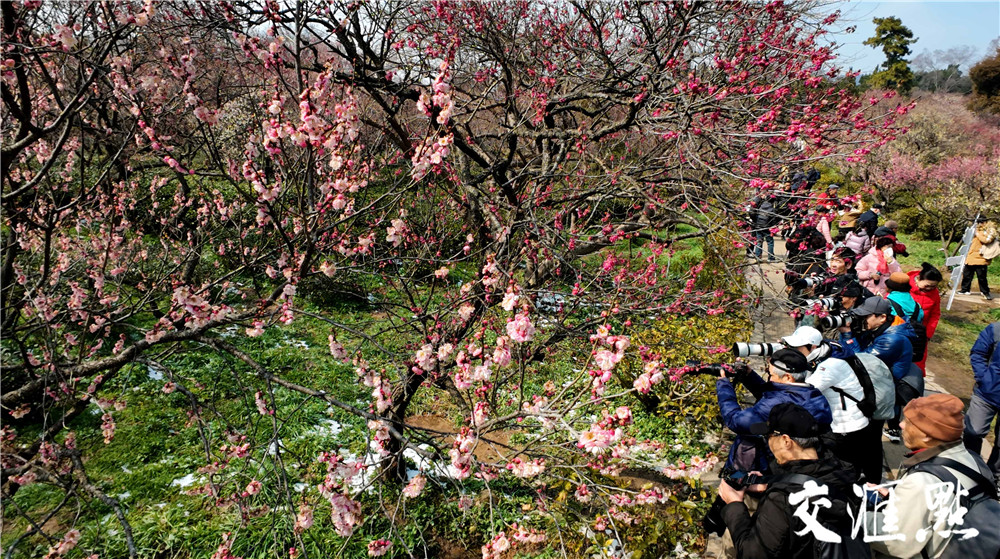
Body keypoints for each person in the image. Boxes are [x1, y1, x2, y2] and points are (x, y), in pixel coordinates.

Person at [719, 403, 866, 559]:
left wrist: (734, 505)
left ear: (786, 441)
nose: (768, 442)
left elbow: (753, 554)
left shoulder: (781, 501)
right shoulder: (841, 470)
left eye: (768, 436)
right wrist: (774, 481)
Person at [867, 394, 996, 559]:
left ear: (927, 434)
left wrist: (856, 515)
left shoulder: (922, 481)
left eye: (908, 422)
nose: (901, 425)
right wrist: (898, 498)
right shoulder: (974, 460)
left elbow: (897, 543)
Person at [715, 349, 833, 477]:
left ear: (788, 377)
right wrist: (749, 376)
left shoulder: (779, 402)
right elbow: (773, 395)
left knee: (746, 445)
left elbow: (736, 421)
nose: (769, 378)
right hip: (805, 463)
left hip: (769, 464)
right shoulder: (813, 395)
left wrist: (724, 385)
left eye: (770, 374)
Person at [963, 321, 1000, 481]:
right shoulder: (996, 329)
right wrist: (984, 378)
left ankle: (993, 478)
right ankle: (969, 468)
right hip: (986, 393)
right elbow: (978, 353)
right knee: (973, 431)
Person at [909, 263, 943, 374]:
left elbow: (935, 314)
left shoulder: (934, 293)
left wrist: (928, 334)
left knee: (917, 361)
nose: (930, 289)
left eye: (934, 286)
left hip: (921, 333)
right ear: (919, 279)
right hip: (902, 329)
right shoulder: (905, 286)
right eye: (927, 285)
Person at [959, 217, 997, 301]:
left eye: (981, 222)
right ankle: (965, 290)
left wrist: (978, 233)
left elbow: (986, 240)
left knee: (982, 277)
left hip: (981, 258)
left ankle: (985, 292)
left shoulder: (990, 230)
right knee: (967, 275)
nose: (979, 224)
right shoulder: (974, 230)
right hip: (971, 256)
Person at [750, 191, 779, 261]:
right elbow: (774, 220)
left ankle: (757, 256)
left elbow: (754, 214)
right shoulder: (772, 209)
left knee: (759, 241)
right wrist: (773, 227)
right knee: (770, 242)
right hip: (767, 227)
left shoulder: (760, 206)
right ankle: (771, 258)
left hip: (758, 226)